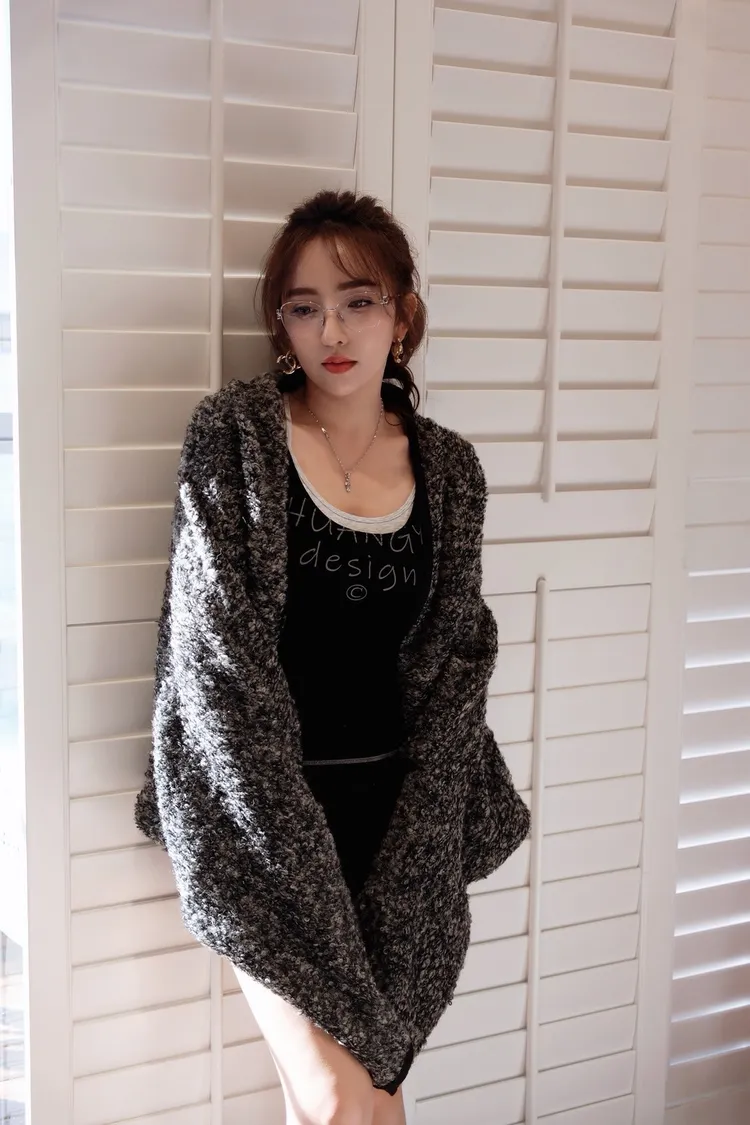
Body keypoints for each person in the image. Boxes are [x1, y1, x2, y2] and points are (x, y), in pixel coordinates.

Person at [133, 190, 530, 1125]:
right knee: (344, 1099)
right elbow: (216, 665)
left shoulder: (451, 469)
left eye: (358, 301)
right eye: (304, 306)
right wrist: (283, 838)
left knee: (349, 1103)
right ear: (281, 324)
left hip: (395, 825)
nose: (333, 331)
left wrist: (425, 839)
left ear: (404, 314)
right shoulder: (235, 438)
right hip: (257, 817)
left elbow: (453, 662)